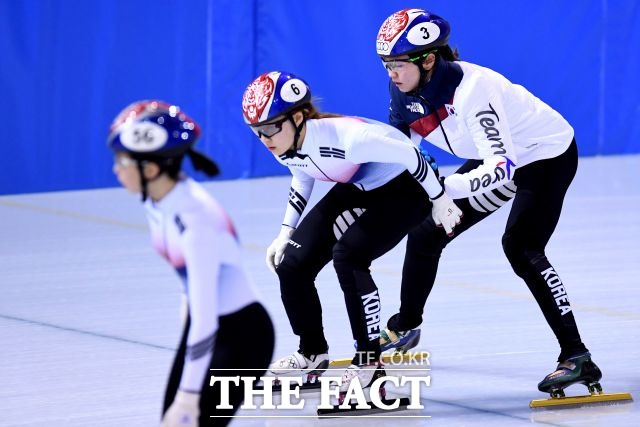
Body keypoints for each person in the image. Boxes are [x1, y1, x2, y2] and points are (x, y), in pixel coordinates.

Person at [374, 8, 602, 396]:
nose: (391, 73)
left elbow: (501, 166)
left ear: (427, 59)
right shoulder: (404, 87)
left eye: (397, 63)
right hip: (500, 156)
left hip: (544, 155)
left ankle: (577, 356)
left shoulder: (474, 91)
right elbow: (401, 150)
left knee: (521, 247)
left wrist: (442, 189)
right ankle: (407, 323)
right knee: (427, 232)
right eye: (385, 64)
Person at [241, 71, 462, 393]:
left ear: (299, 116)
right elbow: (302, 174)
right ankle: (312, 353)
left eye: (271, 127)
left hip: (409, 187)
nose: (265, 139)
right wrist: (285, 231)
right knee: (291, 264)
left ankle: (369, 364)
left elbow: (412, 155)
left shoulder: (348, 138)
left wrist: (440, 200)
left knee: (349, 257)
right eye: (257, 131)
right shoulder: (288, 140)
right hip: (360, 185)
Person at [108, 100, 275, 426]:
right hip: (209, 324)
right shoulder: (159, 199)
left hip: (242, 337)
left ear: (151, 168)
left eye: (122, 160)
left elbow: (206, 321)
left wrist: (188, 395)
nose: (116, 169)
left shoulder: (195, 220)